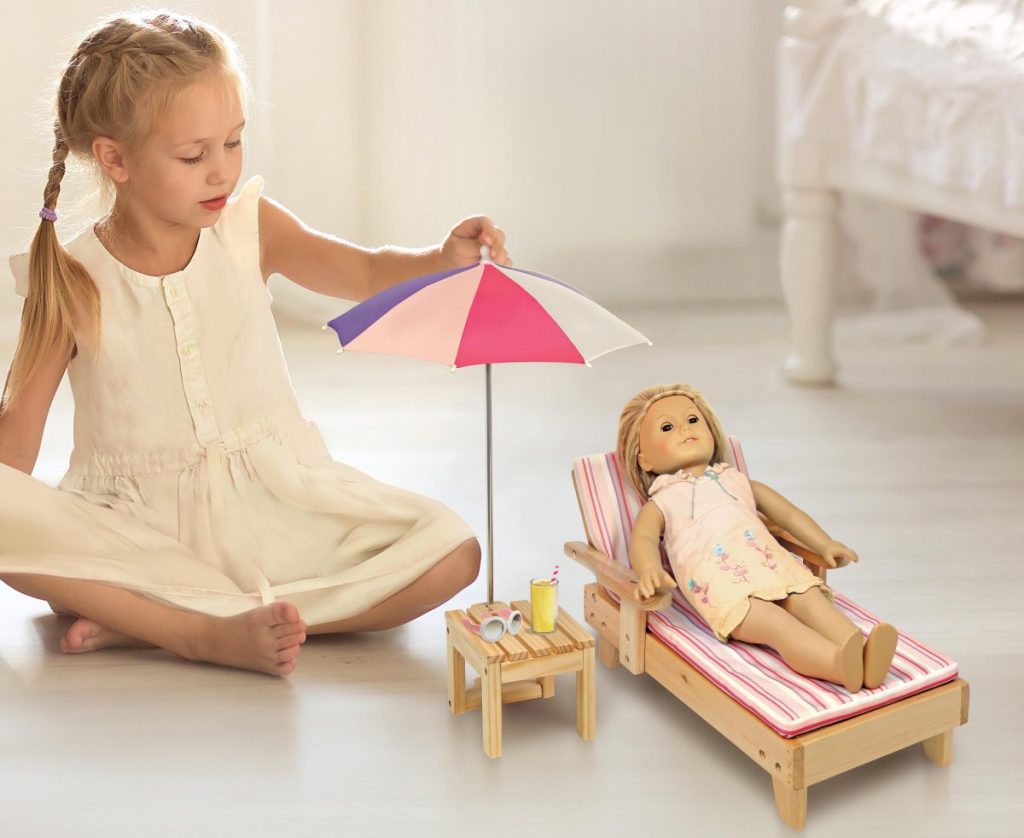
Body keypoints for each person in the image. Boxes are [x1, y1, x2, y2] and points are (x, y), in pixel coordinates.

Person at [0, 11, 509, 677]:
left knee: (454, 553)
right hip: (136, 530)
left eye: (233, 143)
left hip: (275, 508)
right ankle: (196, 631)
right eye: (194, 155)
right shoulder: (70, 278)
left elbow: (361, 271)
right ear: (114, 158)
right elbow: (16, 444)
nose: (222, 172)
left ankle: (149, 621)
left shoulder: (249, 228)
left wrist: (440, 257)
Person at [617, 383, 898, 691]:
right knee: (779, 626)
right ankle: (838, 665)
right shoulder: (663, 502)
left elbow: (788, 515)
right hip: (728, 588)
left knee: (812, 602)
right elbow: (642, 541)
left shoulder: (737, 480)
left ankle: (861, 652)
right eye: (668, 427)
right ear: (644, 460)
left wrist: (824, 543)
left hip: (773, 567)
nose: (685, 428)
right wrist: (649, 571)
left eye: (693, 420)